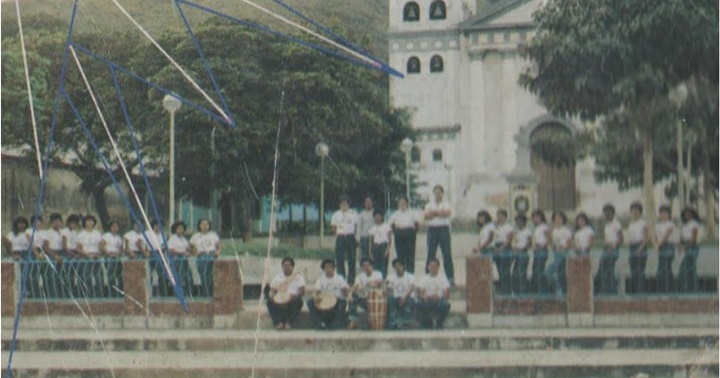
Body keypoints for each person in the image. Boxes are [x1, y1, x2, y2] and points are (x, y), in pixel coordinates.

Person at [423, 185, 454, 286]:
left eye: (439, 192)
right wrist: (438, 213)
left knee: (447, 254)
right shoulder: (429, 204)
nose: (438, 194)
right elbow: (426, 216)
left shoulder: (446, 204)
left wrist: (434, 212)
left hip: (444, 229)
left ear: (442, 193)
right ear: (433, 194)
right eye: (436, 192)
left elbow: (447, 213)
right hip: (432, 230)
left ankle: (450, 277)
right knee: (430, 253)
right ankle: (427, 276)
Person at [307, 259, 349, 330]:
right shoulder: (320, 279)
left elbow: (345, 290)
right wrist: (315, 297)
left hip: (336, 299)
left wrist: (345, 290)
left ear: (333, 268)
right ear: (323, 269)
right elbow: (316, 291)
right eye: (326, 267)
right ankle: (320, 323)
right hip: (324, 300)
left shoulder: (339, 278)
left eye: (330, 267)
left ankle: (335, 324)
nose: (328, 269)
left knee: (343, 302)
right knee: (310, 302)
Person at [266, 257, 305, 330]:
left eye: (288, 266)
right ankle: (278, 323)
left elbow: (302, 291)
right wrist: (272, 296)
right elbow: (272, 290)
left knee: (299, 302)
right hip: (280, 298)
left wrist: (295, 296)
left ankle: (288, 323)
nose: (286, 267)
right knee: (269, 302)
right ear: (282, 266)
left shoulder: (298, 277)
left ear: (292, 267)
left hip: (292, 298)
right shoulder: (277, 278)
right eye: (284, 265)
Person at [348, 258, 384, 329]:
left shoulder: (377, 273)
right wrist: (350, 294)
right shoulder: (359, 276)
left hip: (376, 300)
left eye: (368, 265)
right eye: (364, 266)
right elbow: (355, 286)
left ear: (372, 266)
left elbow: (379, 282)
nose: (366, 267)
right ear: (362, 268)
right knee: (353, 298)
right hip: (365, 299)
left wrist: (370, 283)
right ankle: (353, 321)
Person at [330, 195, 358, 285]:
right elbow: (334, 227)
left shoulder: (353, 213)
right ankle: (341, 280)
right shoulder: (336, 214)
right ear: (339, 205)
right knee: (340, 260)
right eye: (342, 203)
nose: (344, 205)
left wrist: (355, 237)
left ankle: (351, 281)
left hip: (350, 237)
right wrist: (339, 234)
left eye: (345, 203)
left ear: (348, 204)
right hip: (341, 237)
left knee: (352, 259)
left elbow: (356, 226)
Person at [190, 218, 221, 297]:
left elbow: (218, 246)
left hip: (211, 255)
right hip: (201, 256)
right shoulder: (195, 236)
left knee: (211, 275)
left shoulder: (213, 235)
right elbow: (190, 247)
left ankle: (213, 294)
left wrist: (217, 252)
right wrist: (195, 252)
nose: (204, 226)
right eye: (202, 224)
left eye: (206, 224)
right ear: (199, 226)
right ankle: (206, 294)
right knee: (203, 276)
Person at [595, 204, 622, 294]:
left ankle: (612, 291)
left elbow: (620, 238)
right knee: (602, 270)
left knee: (609, 271)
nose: (606, 215)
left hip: (613, 249)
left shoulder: (616, 224)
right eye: (605, 213)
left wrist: (614, 246)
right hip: (606, 248)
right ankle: (603, 290)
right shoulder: (606, 225)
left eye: (608, 212)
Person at [417, 258, 451, 329]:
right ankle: (427, 322)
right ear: (428, 267)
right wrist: (423, 296)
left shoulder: (443, 278)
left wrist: (438, 297)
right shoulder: (424, 278)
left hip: (438, 299)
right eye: (431, 266)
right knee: (418, 303)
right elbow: (420, 291)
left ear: (438, 267)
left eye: (435, 266)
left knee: (445, 304)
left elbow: (446, 292)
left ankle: (439, 322)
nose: (433, 268)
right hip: (427, 300)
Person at [389, 196, 419, 274]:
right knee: (400, 255)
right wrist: (396, 232)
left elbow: (417, 224)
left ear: (407, 203)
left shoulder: (412, 213)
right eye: (400, 203)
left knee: (410, 256)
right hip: (399, 234)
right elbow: (392, 225)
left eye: (404, 202)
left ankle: (410, 274)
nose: (402, 204)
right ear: (398, 204)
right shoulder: (395, 214)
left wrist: (412, 233)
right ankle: (402, 274)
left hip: (409, 234)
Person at [76, 215, 103, 296]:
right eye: (88, 221)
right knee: (86, 276)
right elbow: (78, 248)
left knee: (97, 276)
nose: (90, 223)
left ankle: (99, 294)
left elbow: (100, 246)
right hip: (85, 258)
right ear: (85, 223)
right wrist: (87, 254)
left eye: (91, 221)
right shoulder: (81, 234)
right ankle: (88, 294)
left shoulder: (97, 233)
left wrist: (98, 253)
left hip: (95, 257)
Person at [386, 259, 416, 329]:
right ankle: (393, 322)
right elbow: (388, 287)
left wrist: (404, 297)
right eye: (395, 266)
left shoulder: (410, 276)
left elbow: (412, 288)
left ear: (403, 267)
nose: (398, 268)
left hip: (407, 297)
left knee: (409, 301)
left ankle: (406, 322)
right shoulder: (390, 277)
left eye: (399, 265)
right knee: (390, 299)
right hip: (396, 298)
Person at [546, 211, 571, 297]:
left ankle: (561, 290)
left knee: (558, 272)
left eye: (559, 218)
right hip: (554, 253)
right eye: (556, 219)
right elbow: (550, 242)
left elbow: (568, 243)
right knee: (551, 272)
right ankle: (557, 288)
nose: (557, 220)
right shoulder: (554, 231)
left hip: (562, 253)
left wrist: (562, 248)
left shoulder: (566, 230)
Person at [42, 213, 66, 297]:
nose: (57, 223)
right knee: (51, 276)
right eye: (55, 221)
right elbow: (45, 247)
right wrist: (54, 255)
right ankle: (52, 295)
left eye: (59, 221)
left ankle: (62, 295)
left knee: (62, 276)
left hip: (61, 254)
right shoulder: (48, 233)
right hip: (52, 254)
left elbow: (64, 246)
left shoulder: (63, 233)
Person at [167, 221, 194, 295]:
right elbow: (171, 251)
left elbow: (187, 248)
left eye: (182, 228)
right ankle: (177, 294)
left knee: (187, 276)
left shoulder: (183, 239)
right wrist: (183, 253)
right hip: (176, 260)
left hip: (184, 260)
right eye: (178, 228)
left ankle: (187, 293)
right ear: (175, 229)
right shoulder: (173, 238)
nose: (180, 230)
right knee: (178, 277)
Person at [654, 205, 677, 293]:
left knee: (665, 268)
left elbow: (666, 236)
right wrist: (656, 244)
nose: (663, 215)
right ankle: (664, 289)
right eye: (661, 213)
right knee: (663, 268)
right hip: (661, 247)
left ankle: (668, 289)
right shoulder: (658, 225)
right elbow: (656, 236)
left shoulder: (670, 224)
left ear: (669, 214)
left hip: (668, 246)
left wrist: (658, 245)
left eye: (665, 213)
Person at [678, 207, 701, 292]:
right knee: (684, 270)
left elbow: (693, 238)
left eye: (689, 213)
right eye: (686, 213)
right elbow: (681, 238)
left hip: (691, 247)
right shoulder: (684, 225)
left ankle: (693, 289)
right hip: (684, 247)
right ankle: (685, 288)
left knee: (689, 268)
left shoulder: (694, 224)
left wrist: (686, 246)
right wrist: (680, 245)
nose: (687, 215)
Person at [100, 220, 124, 297]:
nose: (115, 228)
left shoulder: (118, 237)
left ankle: (120, 292)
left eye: (116, 226)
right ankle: (111, 293)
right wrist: (108, 253)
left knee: (119, 275)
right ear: (110, 228)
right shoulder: (106, 236)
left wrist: (118, 254)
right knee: (110, 276)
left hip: (116, 258)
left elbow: (121, 248)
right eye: (113, 226)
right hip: (109, 257)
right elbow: (101, 246)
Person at [26, 215, 48, 298]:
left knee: (44, 273)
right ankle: (34, 293)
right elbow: (31, 243)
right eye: (35, 222)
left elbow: (45, 244)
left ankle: (45, 293)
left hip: (42, 251)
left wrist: (42, 253)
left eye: (39, 221)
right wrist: (37, 254)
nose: (37, 223)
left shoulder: (44, 232)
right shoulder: (29, 231)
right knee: (33, 273)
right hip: (32, 252)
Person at [530, 210, 551, 293]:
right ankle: (537, 290)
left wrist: (543, 246)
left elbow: (549, 239)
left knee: (539, 271)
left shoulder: (544, 227)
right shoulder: (536, 228)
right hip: (536, 250)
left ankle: (544, 290)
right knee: (535, 270)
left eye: (537, 217)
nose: (535, 219)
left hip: (542, 250)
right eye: (534, 217)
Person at [493, 209, 514, 294]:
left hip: (505, 248)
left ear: (505, 217)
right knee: (500, 270)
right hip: (497, 247)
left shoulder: (509, 227)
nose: (499, 218)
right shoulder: (496, 227)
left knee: (505, 270)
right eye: (498, 216)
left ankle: (507, 290)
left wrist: (502, 248)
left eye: (501, 216)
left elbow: (509, 239)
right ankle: (502, 289)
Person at [511, 214, 532, 294]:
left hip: (523, 254)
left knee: (521, 274)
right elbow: (514, 242)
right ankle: (516, 291)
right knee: (514, 274)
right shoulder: (516, 232)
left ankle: (522, 292)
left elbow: (529, 243)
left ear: (524, 222)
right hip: (515, 254)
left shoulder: (527, 231)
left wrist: (522, 249)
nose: (518, 223)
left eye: (520, 221)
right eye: (517, 221)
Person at [367, 210, 392, 278]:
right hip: (376, 247)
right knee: (376, 265)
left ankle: (383, 278)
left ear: (382, 217)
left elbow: (389, 240)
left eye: (379, 216)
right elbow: (370, 241)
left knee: (384, 265)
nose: (377, 218)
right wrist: (370, 252)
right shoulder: (372, 228)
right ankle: (377, 279)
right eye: (375, 216)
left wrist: (387, 250)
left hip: (383, 246)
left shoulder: (387, 226)